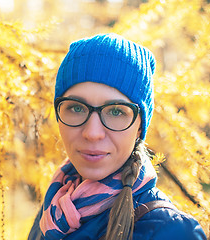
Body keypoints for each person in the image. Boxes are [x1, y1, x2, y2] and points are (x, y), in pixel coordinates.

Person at [27, 33, 207, 240]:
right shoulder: (53, 208)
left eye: (116, 112)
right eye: (76, 108)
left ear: (140, 127)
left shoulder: (171, 232)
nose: (92, 133)